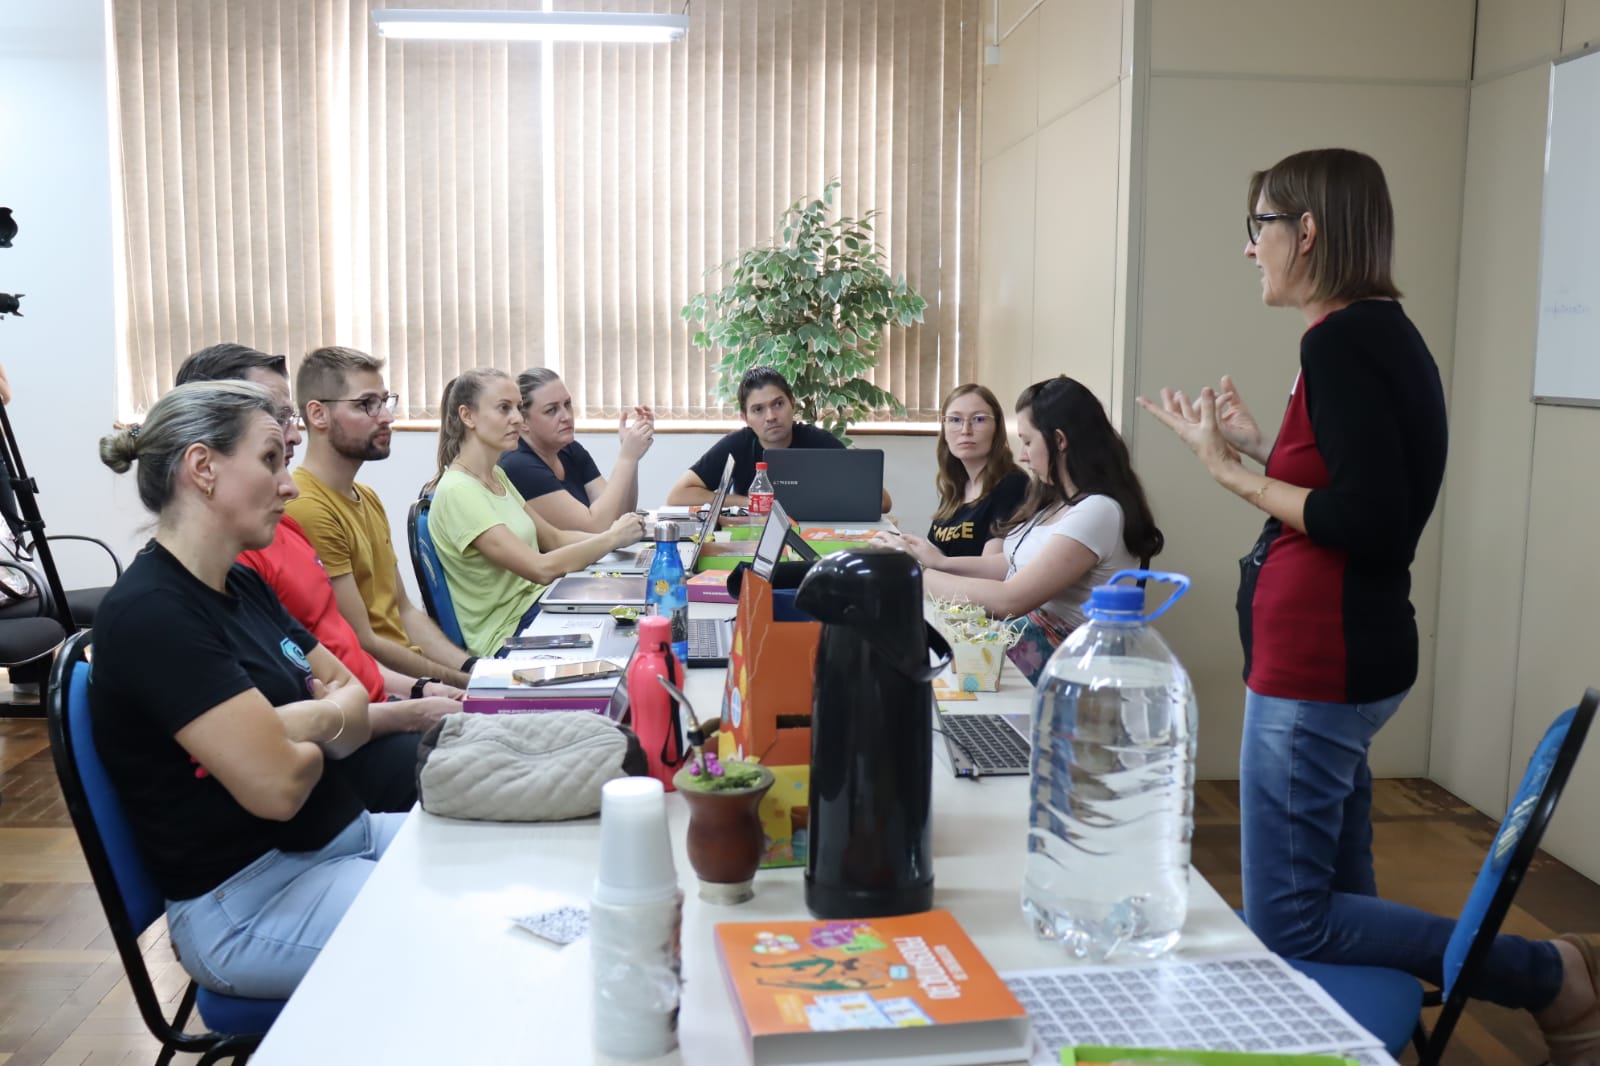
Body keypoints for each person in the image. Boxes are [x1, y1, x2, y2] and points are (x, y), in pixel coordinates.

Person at [1138, 147, 1597, 1063]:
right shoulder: (1368, 328)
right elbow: (1355, 488)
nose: (1250, 248)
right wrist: (1263, 450)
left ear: (1307, 232)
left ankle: (1548, 976)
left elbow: (1369, 522)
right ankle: (1362, 1039)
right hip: (1340, 654)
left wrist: (1229, 475)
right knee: (1337, 888)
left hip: (1322, 663)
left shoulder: (1340, 340)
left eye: (1260, 226)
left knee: (1294, 921)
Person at [93, 380, 400, 1000]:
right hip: (251, 901)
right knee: (469, 937)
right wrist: (322, 717)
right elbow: (280, 788)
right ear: (203, 468)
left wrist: (286, 723)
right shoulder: (154, 614)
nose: (288, 484)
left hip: (341, 840)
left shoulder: (243, 586)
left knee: (495, 861)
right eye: (269, 460)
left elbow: (358, 708)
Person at [176, 344, 465, 811]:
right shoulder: (191, 596)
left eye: (287, 417)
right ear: (205, 462)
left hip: (372, 721)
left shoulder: (273, 538)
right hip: (348, 758)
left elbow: (335, 674)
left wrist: (421, 690)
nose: (291, 435)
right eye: (274, 419)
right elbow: (280, 762)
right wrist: (383, 709)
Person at [878, 376, 1162, 682]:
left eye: (1027, 441)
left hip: (1065, 671)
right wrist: (937, 561)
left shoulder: (1098, 511)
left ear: (1060, 441)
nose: (1023, 455)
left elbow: (1010, 600)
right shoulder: (1054, 501)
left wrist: (914, 575)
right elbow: (1008, 564)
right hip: (1024, 647)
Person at [427, 368, 645, 657]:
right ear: (468, 416)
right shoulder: (458, 491)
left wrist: (627, 546)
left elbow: (554, 538)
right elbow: (540, 569)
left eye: (518, 408)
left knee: (643, 608)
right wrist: (612, 539)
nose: (517, 418)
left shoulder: (496, 476)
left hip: (539, 606)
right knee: (632, 640)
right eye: (504, 409)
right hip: (511, 633)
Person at [288, 346, 472, 688]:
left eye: (385, 401)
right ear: (318, 415)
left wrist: (474, 669)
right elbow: (364, 641)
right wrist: (459, 683)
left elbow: (404, 611)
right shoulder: (307, 507)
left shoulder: (367, 497)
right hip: (388, 688)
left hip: (417, 678)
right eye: (365, 404)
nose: (386, 417)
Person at [665, 365, 893, 513]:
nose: (771, 416)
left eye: (778, 404)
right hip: (754, 535)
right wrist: (750, 503)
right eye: (758, 410)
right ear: (745, 418)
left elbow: (882, 502)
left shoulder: (819, 442)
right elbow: (678, 495)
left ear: (793, 403)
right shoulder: (737, 445)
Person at [498, 368, 656, 533]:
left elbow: (619, 516)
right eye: (551, 410)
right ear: (523, 421)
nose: (566, 416)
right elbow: (595, 528)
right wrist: (627, 458)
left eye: (567, 404)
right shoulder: (519, 465)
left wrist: (632, 456)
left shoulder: (569, 449)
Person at [889, 383, 1027, 560]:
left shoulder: (1012, 484)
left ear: (997, 428)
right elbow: (935, 552)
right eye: (955, 420)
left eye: (979, 419)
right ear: (944, 430)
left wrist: (927, 566)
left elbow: (990, 571)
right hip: (941, 586)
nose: (965, 430)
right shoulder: (956, 486)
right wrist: (904, 547)